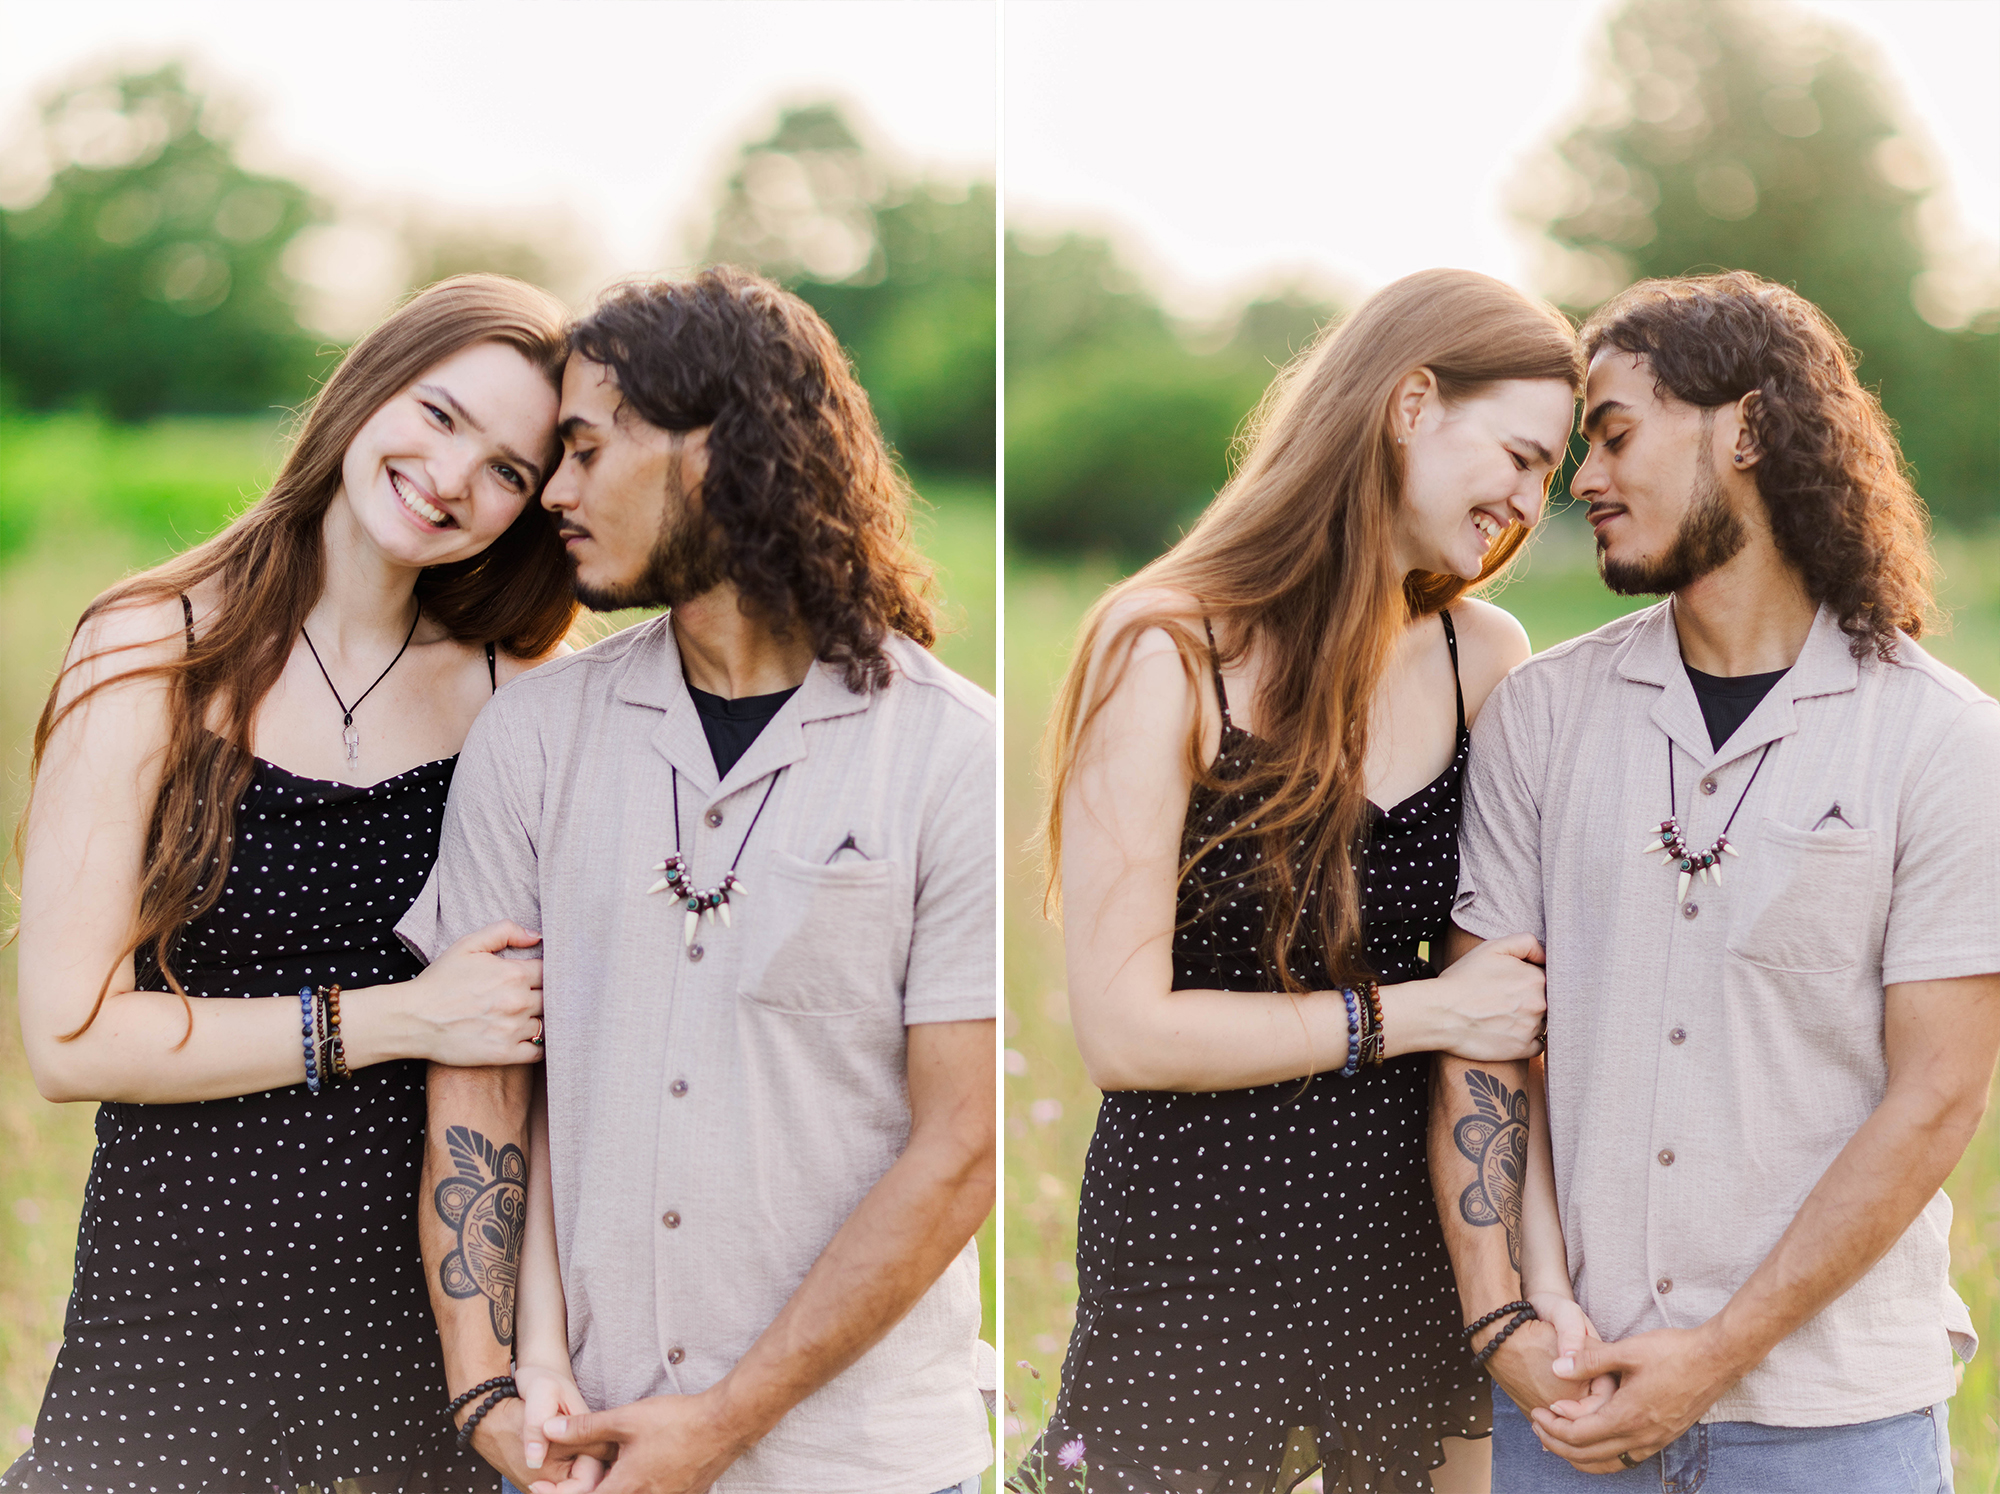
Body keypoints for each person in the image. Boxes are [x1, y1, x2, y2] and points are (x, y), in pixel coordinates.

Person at [398, 266, 996, 1494]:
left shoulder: (950, 750)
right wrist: (485, 1393)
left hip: (869, 1464)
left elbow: (962, 1146)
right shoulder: (535, 735)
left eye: (582, 447)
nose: (553, 491)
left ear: (717, 449)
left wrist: (725, 1418)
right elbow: (484, 1088)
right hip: (580, 1449)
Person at [1012, 268, 1594, 1494]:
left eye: (1549, 476)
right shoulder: (1166, 647)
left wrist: (1535, 1288)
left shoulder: (1480, 655)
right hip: (1194, 1246)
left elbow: (1509, 1036)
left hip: (1408, 1253)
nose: (1529, 502)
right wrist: (1413, 1012)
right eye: (1519, 454)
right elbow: (1123, 1032)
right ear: (1411, 402)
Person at [7, 274, 578, 1491]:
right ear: (367, 386)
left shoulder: (517, 692)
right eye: (438, 415)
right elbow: (69, 1040)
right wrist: (394, 1018)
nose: (452, 476)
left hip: (431, 1327)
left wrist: (524, 1362)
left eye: (507, 471)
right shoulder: (153, 645)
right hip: (179, 1308)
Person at [1438, 271, 2000, 1493]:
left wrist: (1714, 1355)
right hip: (1564, 1408)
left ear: (1742, 428)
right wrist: (1509, 1325)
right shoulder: (1538, 715)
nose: (1579, 480)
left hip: (1834, 1427)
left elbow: (1935, 1098)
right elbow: (1484, 1047)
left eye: (1615, 434)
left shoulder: (1943, 743)